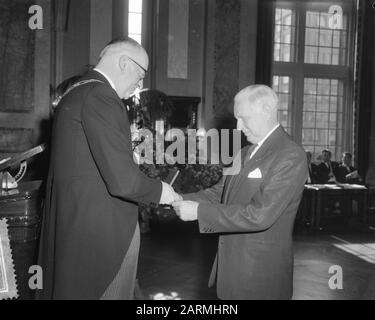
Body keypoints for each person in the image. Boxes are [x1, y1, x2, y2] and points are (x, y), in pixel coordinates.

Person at [37, 37, 180, 300]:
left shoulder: (77, 91)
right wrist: (164, 192)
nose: (140, 85)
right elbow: (123, 182)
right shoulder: (102, 96)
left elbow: (87, 163)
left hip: (77, 225)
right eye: (140, 75)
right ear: (124, 62)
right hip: (103, 234)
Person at [172, 85, 308, 300]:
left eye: (244, 118)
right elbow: (219, 192)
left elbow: (259, 215)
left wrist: (199, 212)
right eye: (237, 118)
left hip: (260, 276)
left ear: (267, 110)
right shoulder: (245, 152)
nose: (238, 126)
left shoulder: (290, 155)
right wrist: (176, 198)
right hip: (233, 270)